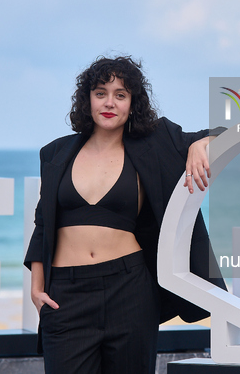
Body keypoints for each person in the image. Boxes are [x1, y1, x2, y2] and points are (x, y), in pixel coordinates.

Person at [24, 56, 225, 373]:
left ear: (133, 103)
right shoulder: (55, 153)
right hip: (67, 295)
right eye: (101, 92)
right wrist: (36, 287)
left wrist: (201, 144)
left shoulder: (155, 143)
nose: (109, 102)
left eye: (120, 94)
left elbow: (223, 133)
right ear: (87, 99)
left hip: (130, 290)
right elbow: (43, 223)